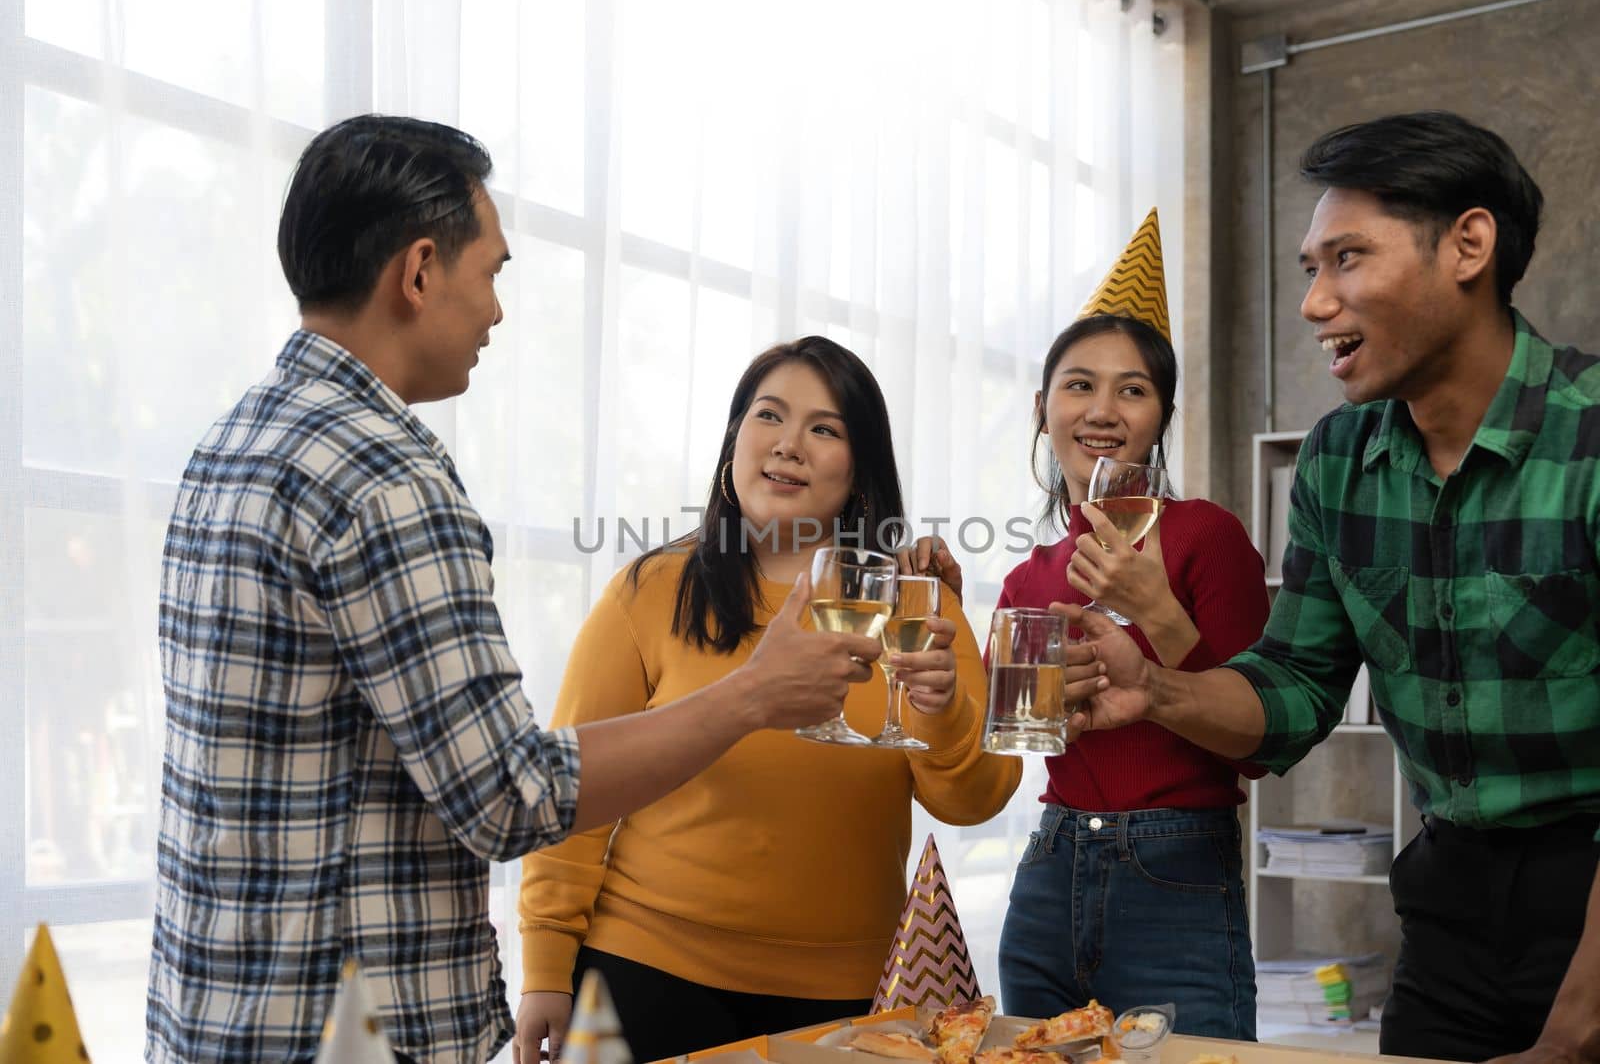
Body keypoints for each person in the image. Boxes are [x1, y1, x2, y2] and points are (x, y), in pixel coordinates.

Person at [146, 116, 883, 1064]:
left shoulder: (233, 441)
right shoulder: (388, 481)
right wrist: (753, 695)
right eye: (490, 271)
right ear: (419, 272)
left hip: (221, 1008)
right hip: (348, 1027)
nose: (497, 310)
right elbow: (510, 793)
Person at [1059, 112, 1600, 1062]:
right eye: (1311, 268)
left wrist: (1571, 1036)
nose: (1314, 303)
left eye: (1345, 259)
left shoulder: (1591, 435)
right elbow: (1294, 690)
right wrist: (1157, 688)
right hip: (1448, 910)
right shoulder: (1338, 459)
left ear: (1469, 245)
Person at [513, 336, 1021, 1062]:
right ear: (733, 442)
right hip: (641, 972)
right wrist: (544, 972)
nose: (789, 444)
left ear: (860, 469)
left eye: (824, 428)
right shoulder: (649, 591)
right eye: (769, 415)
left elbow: (977, 798)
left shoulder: (919, 600)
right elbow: (572, 795)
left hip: (848, 1001)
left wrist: (940, 711)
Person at [990, 210, 1268, 1037]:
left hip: (1178, 867)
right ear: (1043, 409)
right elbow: (1005, 742)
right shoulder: (1023, 579)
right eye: (1079, 384)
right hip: (1048, 866)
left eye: (1133, 388)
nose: (1103, 408)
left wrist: (1159, 616)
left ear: (1160, 416)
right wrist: (1042, 707)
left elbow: (1259, 742)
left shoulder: (1208, 536)